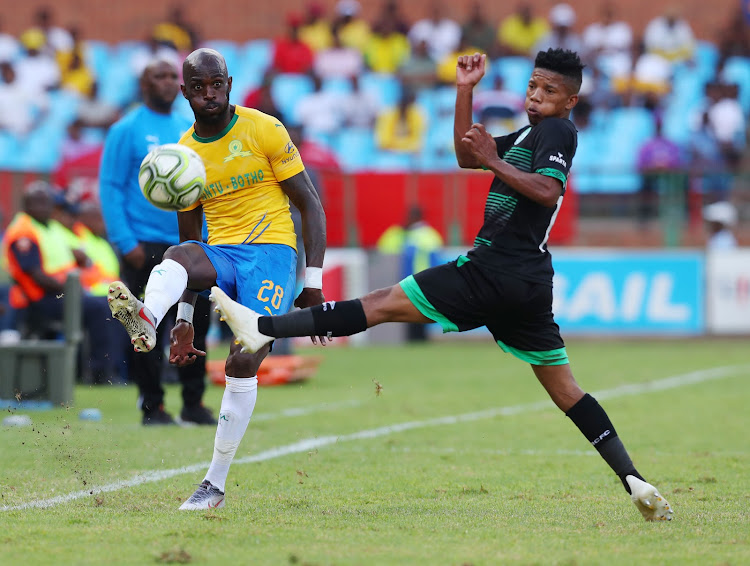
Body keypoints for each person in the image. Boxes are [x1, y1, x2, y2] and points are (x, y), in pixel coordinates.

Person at [210, 48, 674, 522]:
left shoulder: (557, 131)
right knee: (566, 391)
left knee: (380, 304)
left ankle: (263, 327)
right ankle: (633, 479)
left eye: (549, 91)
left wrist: (493, 160)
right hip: (528, 283)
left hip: (494, 270)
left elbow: (547, 189)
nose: (535, 96)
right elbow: (465, 155)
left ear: (570, 100)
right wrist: (465, 92)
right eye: (533, 85)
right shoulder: (534, 131)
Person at [105, 48, 327, 509]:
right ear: (185, 92)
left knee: (242, 363)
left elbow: (310, 204)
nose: (209, 94)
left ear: (229, 83)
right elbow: (191, 244)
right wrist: (184, 317)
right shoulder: (183, 156)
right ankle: (149, 317)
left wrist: (313, 282)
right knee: (176, 252)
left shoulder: (263, 128)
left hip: (271, 256)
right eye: (199, 87)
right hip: (222, 255)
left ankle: (214, 483)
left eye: (217, 84)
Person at [100, 58, 212, 426]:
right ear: (144, 85)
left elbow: (201, 188)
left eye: (171, 77)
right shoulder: (125, 129)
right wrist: (123, 241)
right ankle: (153, 407)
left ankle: (194, 404)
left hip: (189, 243)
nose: (166, 82)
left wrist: (208, 239)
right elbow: (112, 187)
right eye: (157, 76)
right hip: (143, 245)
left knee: (196, 322)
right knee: (145, 329)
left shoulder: (188, 127)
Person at [1, 181, 120, 383]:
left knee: (104, 305)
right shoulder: (23, 231)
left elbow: (65, 253)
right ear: (26, 205)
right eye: (37, 203)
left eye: (47, 203)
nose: (43, 207)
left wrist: (78, 257)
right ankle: (100, 374)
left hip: (58, 293)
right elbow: (35, 274)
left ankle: (106, 370)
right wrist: (71, 289)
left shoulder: (48, 227)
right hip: (37, 298)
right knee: (98, 308)